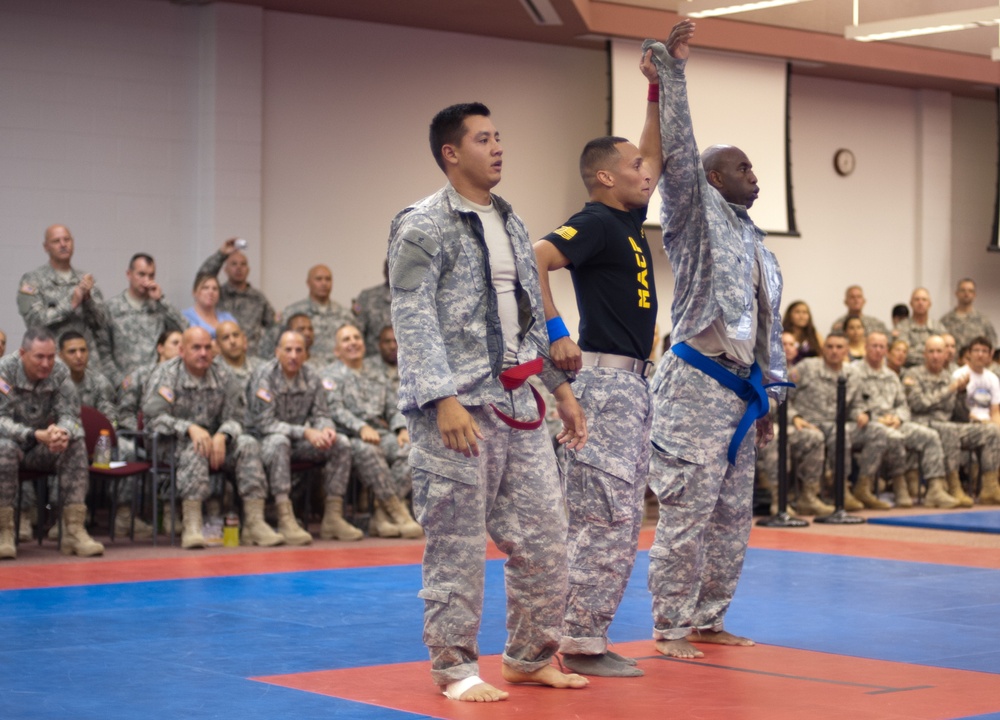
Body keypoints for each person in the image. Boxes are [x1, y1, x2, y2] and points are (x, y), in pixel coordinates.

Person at [388, 101, 589, 701]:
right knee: (456, 544)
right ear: (452, 153)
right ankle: (454, 669)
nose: (497, 146)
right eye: (483, 138)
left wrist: (558, 388)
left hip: (520, 402)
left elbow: (527, 317)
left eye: (499, 136)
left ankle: (530, 656)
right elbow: (411, 313)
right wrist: (441, 397)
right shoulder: (421, 223)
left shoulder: (512, 221)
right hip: (457, 411)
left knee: (548, 537)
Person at [642, 21, 788, 660]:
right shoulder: (694, 218)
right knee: (686, 514)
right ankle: (670, 626)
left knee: (733, 517)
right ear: (710, 179)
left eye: (753, 164)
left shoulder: (757, 243)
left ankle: (708, 617)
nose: (753, 174)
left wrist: (768, 398)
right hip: (696, 384)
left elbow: (766, 325)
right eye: (741, 166)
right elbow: (679, 147)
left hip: (740, 392)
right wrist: (672, 74)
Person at [532, 47, 662, 678]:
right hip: (606, 382)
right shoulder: (596, 222)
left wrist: (656, 94)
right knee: (603, 515)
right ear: (605, 177)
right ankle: (576, 638)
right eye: (633, 168)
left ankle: (586, 633)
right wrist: (556, 330)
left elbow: (653, 153)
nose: (648, 173)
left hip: (634, 386)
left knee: (621, 514)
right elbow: (535, 257)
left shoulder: (629, 220)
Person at [142, 327, 284, 549]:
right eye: (196, 347)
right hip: (170, 443)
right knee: (196, 445)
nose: (203, 353)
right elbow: (152, 419)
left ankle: (255, 523)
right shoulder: (166, 374)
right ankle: (192, 524)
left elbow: (238, 417)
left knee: (247, 444)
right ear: (182, 350)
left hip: (214, 442)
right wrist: (189, 428)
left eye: (208, 347)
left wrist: (223, 434)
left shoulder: (222, 374)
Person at [0, 327, 104, 559]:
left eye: (50, 356)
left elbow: (70, 415)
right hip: (10, 443)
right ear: (23, 353)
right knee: (3, 449)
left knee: (74, 443)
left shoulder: (59, 372)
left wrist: (61, 432)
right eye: (39, 357)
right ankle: (3, 532)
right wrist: (34, 434)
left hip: (40, 446)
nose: (46, 363)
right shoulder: (4, 371)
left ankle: (73, 530)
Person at [247, 330, 356, 545]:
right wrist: (305, 432)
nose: (293, 355)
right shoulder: (265, 376)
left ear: (306, 354)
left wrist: (326, 430)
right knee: (280, 442)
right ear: (277, 352)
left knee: (341, 443)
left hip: (297, 441)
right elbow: (265, 424)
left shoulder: (311, 376)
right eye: (288, 350)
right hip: (261, 441)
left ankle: (332, 517)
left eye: (299, 350)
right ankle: (284, 516)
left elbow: (322, 414)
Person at [323, 323, 420, 538]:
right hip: (349, 436)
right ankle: (397, 511)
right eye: (346, 340)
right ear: (336, 350)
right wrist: (361, 427)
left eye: (356, 338)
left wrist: (401, 429)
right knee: (368, 451)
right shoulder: (329, 376)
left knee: (412, 450)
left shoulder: (376, 374)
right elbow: (334, 409)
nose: (353, 343)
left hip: (381, 433)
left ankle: (381, 512)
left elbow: (394, 406)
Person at [789, 333, 903, 511]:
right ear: (823, 349)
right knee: (839, 434)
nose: (834, 351)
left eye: (839, 347)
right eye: (830, 347)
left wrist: (861, 413)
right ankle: (839, 489)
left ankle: (862, 486)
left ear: (847, 351)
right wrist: (794, 416)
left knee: (877, 431)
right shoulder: (806, 368)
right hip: (811, 423)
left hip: (839, 423)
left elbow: (857, 404)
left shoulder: (852, 373)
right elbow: (782, 396)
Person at [903, 336, 1000, 506]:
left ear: (945, 354)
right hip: (923, 422)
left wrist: (961, 394)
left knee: (992, 432)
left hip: (948, 423)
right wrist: (950, 390)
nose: (935, 356)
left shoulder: (949, 377)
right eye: (931, 351)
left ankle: (990, 487)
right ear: (924, 354)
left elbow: (960, 415)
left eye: (939, 351)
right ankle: (953, 486)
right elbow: (918, 404)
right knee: (949, 430)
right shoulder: (914, 375)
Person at [854, 331, 948, 508]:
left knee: (930, 436)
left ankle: (936, 489)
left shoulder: (891, 376)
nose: (878, 350)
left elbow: (903, 405)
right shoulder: (854, 372)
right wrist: (876, 418)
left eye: (882, 346)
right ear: (866, 347)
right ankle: (898, 485)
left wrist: (898, 418)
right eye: (874, 346)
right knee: (893, 437)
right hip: (868, 425)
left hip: (894, 422)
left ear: (886, 351)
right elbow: (852, 403)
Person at [756, 333, 831, 516]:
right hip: (758, 426)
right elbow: (770, 404)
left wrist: (796, 417)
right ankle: (778, 499)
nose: (787, 347)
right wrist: (793, 416)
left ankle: (808, 497)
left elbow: (793, 404)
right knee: (775, 435)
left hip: (786, 423)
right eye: (783, 343)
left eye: (791, 344)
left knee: (814, 437)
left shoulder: (798, 371)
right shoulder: (763, 369)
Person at [18, 224, 110, 368]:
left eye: (66, 240)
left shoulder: (85, 280)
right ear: (46, 247)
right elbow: (34, 322)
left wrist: (88, 300)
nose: (63, 244)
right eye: (56, 241)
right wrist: (70, 304)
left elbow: (102, 323)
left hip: (86, 365)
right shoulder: (32, 280)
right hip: (51, 364)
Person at [104, 253, 187, 386]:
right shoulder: (111, 308)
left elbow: (185, 330)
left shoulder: (160, 307)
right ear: (129, 274)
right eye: (141, 274)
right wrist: (120, 382)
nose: (146, 280)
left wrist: (161, 300)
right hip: (125, 385)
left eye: (151, 275)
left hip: (157, 383)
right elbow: (103, 351)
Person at [197, 238, 278, 356]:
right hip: (222, 357)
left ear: (248, 269)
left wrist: (265, 352)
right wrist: (222, 254)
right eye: (234, 264)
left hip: (251, 358)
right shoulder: (218, 294)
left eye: (243, 264)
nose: (239, 268)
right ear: (225, 270)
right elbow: (203, 277)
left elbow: (273, 327)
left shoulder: (258, 298)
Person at [282, 265, 353, 362]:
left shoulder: (345, 314)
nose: (324, 283)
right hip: (305, 369)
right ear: (308, 283)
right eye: (318, 279)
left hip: (337, 370)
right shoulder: (292, 312)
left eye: (328, 279)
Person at [940, 279, 997, 352]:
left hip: (977, 362)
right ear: (956, 293)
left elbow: (992, 345)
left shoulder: (984, 321)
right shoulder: (945, 321)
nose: (966, 293)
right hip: (952, 362)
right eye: (963, 290)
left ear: (974, 295)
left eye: (970, 291)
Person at [353, 260, 393, 359]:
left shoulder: (416, 298)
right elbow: (357, 332)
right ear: (385, 271)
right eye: (390, 267)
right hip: (374, 362)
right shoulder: (366, 297)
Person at [895, 288, 942, 368]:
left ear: (929, 304)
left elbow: (943, 353)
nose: (920, 303)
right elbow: (903, 354)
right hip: (908, 370)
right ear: (911, 303)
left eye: (924, 300)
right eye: (917, 300)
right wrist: (929, 355)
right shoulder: (902, 327)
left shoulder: (938, 327)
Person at [182, 274, 235, 340]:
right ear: (194, 292)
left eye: (215, 289)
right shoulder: (185, 318)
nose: (211, 292)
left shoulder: (227, 318)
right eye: (205, 288)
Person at [214, 321, 263, 388]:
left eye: (236, 335)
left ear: (244, 339)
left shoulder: (261, 367)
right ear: (218, 345)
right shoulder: (213, 373)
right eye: (225, 338)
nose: (232, 341)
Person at [782, 300, 822, 365]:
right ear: (789, 315)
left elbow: (823, 356)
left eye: (805, 312)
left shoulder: (815, 336)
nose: (801, 316)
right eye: (797, 312)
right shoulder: (782, 336)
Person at [375, 325, 399, 390]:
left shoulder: (411, 371)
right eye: (387, 341)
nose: (392, 346)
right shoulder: (368, 369)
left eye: (396, 341)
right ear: (379, 345)